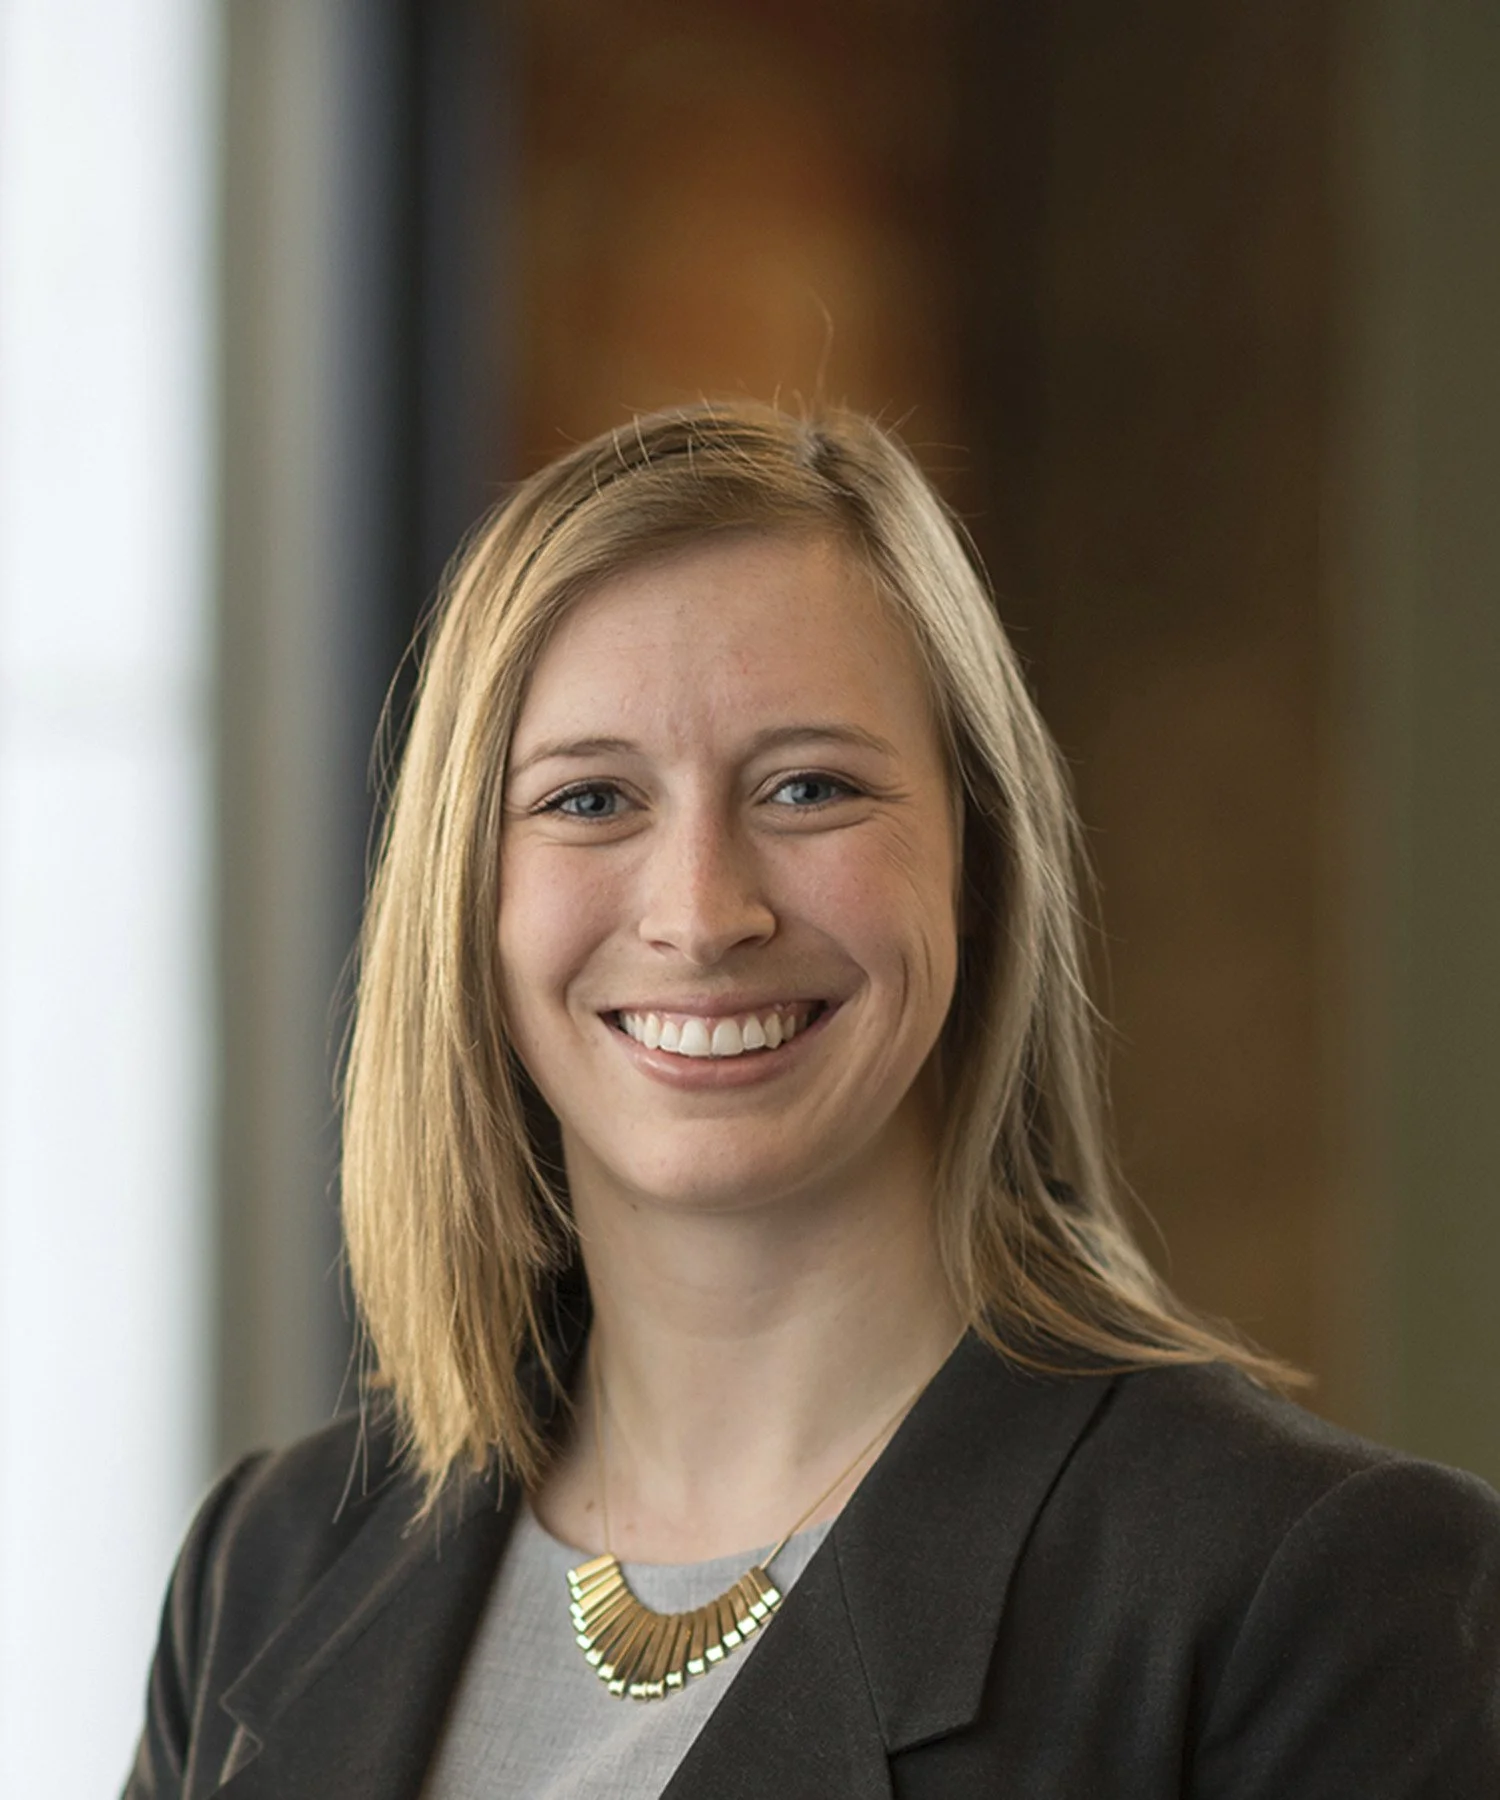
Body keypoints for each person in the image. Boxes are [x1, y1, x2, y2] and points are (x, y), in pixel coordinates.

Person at [125, 402, 1500, 1799]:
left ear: (975, 859)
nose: (701, 913)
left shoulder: (1315, 1600)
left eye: (808, 787)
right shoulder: (267, 1568)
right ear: (463, 895)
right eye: (590, 800)